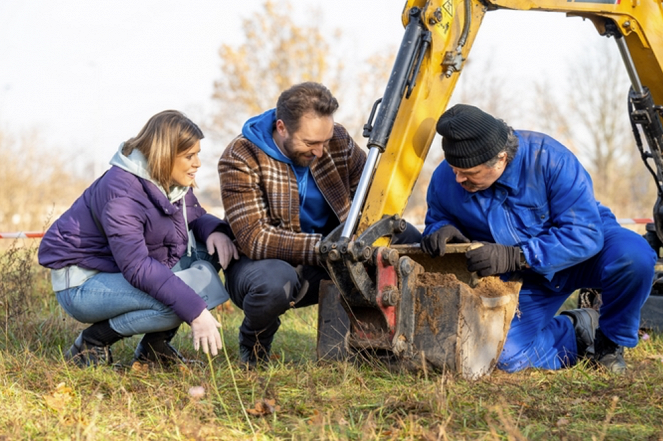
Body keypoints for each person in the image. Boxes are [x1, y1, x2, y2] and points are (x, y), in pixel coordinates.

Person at [421, 104, 656, 374]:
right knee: (500, 356)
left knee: (634, 257)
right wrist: (440, 229)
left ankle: (610, 345)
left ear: (500, 159)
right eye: (454, 169)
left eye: (470, 173)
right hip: (524, 278)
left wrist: (517, 256)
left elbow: (585, 234)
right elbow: (437, 217)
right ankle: (577, 331)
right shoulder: (445, 178)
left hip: (586, 253)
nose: (458, 177)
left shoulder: (550, 159)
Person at [219, 82, 421, 368]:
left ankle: (391, 341)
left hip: (331, 251)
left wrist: (373, 236)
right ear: (282, 127)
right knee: (274, 284)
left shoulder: (336, 139)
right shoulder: (241, 156)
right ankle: (253, 344)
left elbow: (370, 197)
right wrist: (328, 247)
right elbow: (255, 238)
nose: (319, 151)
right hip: (266, 263)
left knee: (405, 238)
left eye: (324, 141)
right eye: (310, 143)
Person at [38, 110, 239, 367]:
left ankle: (153, 350)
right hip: (82, 283)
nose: (198, 163)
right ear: (164, 155)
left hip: (117, 272)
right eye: (190, 156)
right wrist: (196, 311)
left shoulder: (171, 183)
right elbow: (138, 267)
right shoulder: (121, 193)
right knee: (178, 304)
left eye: (198, 154)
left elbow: (195, 217)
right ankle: (92, 341)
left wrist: (216, 232)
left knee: (205, 251)